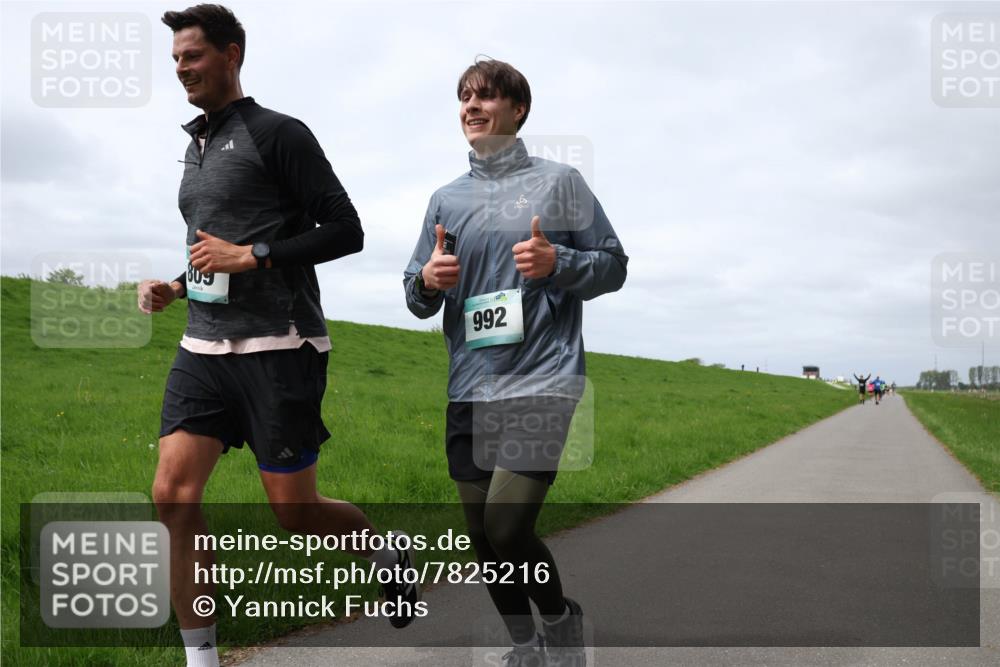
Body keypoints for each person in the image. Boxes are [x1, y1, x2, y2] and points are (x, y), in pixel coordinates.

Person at [139, 6, 419, 666]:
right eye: (175, 58)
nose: (181, 68)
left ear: (231, 55)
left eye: (192, 55)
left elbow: (345, 229)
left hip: (280, 345)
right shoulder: (196, 146)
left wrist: (254, 255)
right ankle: (202, 658)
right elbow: (214, 248)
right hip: (203, 347)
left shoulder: (278, 133)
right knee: (172, 496)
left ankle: (385, 551)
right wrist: (176, 287)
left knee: (294, 513)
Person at [404, 57, 627, 667]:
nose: (471, 107)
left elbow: (613, 264)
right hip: (469, 386)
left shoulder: (561, 183)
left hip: (543, 378)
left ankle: (559, 620)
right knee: (483, 538)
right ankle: (525, 646)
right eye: (464, 98)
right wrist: (428, 280)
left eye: (485, 97)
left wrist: (560, 264)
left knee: (506, 527)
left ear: (518, 109)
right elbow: (415, 294)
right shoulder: (445, 199)